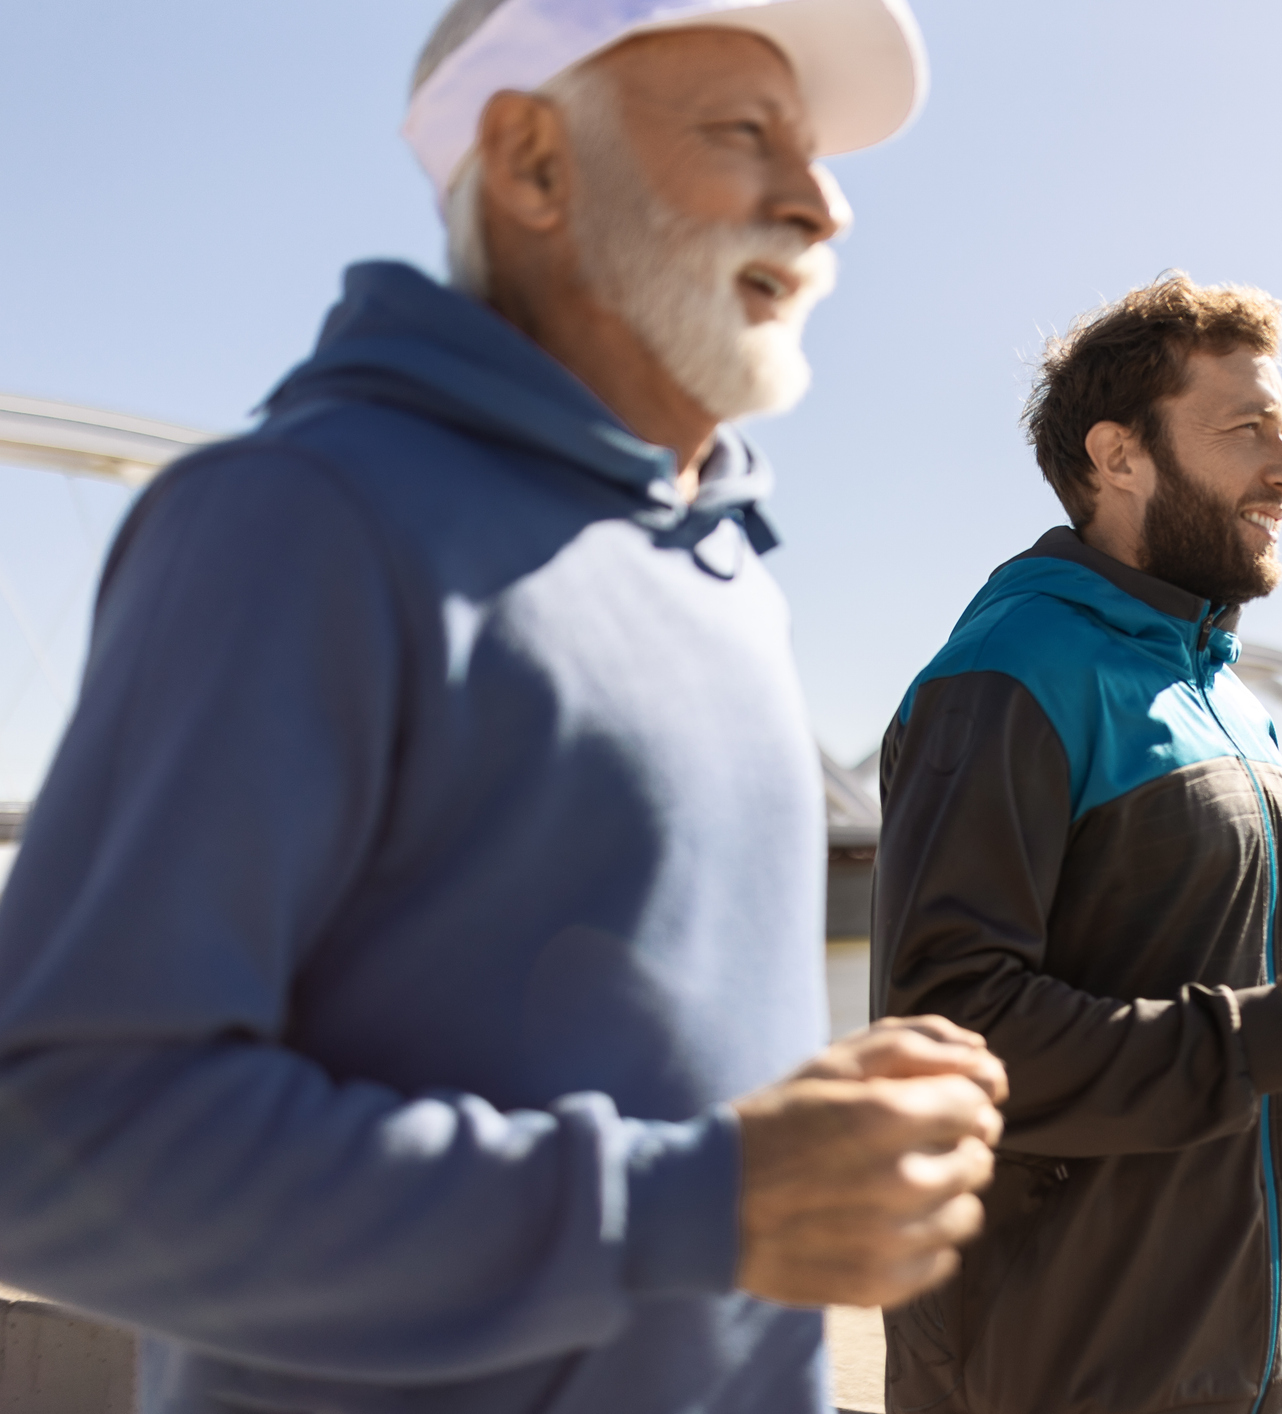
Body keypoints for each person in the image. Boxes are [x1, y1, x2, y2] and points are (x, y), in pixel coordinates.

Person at [0, 3, 1006, 1412]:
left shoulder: (724, 570)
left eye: (820, 151)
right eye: (744, 136)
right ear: (533, 162)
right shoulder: (299, 518)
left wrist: (805, 1121)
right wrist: (697, 1198)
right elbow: (52, 1140)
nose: (822, 202)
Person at [870, 274, 1282, 1414]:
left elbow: (1210, 994)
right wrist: (1279, 1031)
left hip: (1264, 1362)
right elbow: (951, 1034)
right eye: (1248, 432)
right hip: (1063, 1376)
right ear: (1117, 455)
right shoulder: (1009, 674)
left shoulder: (1229, 698)